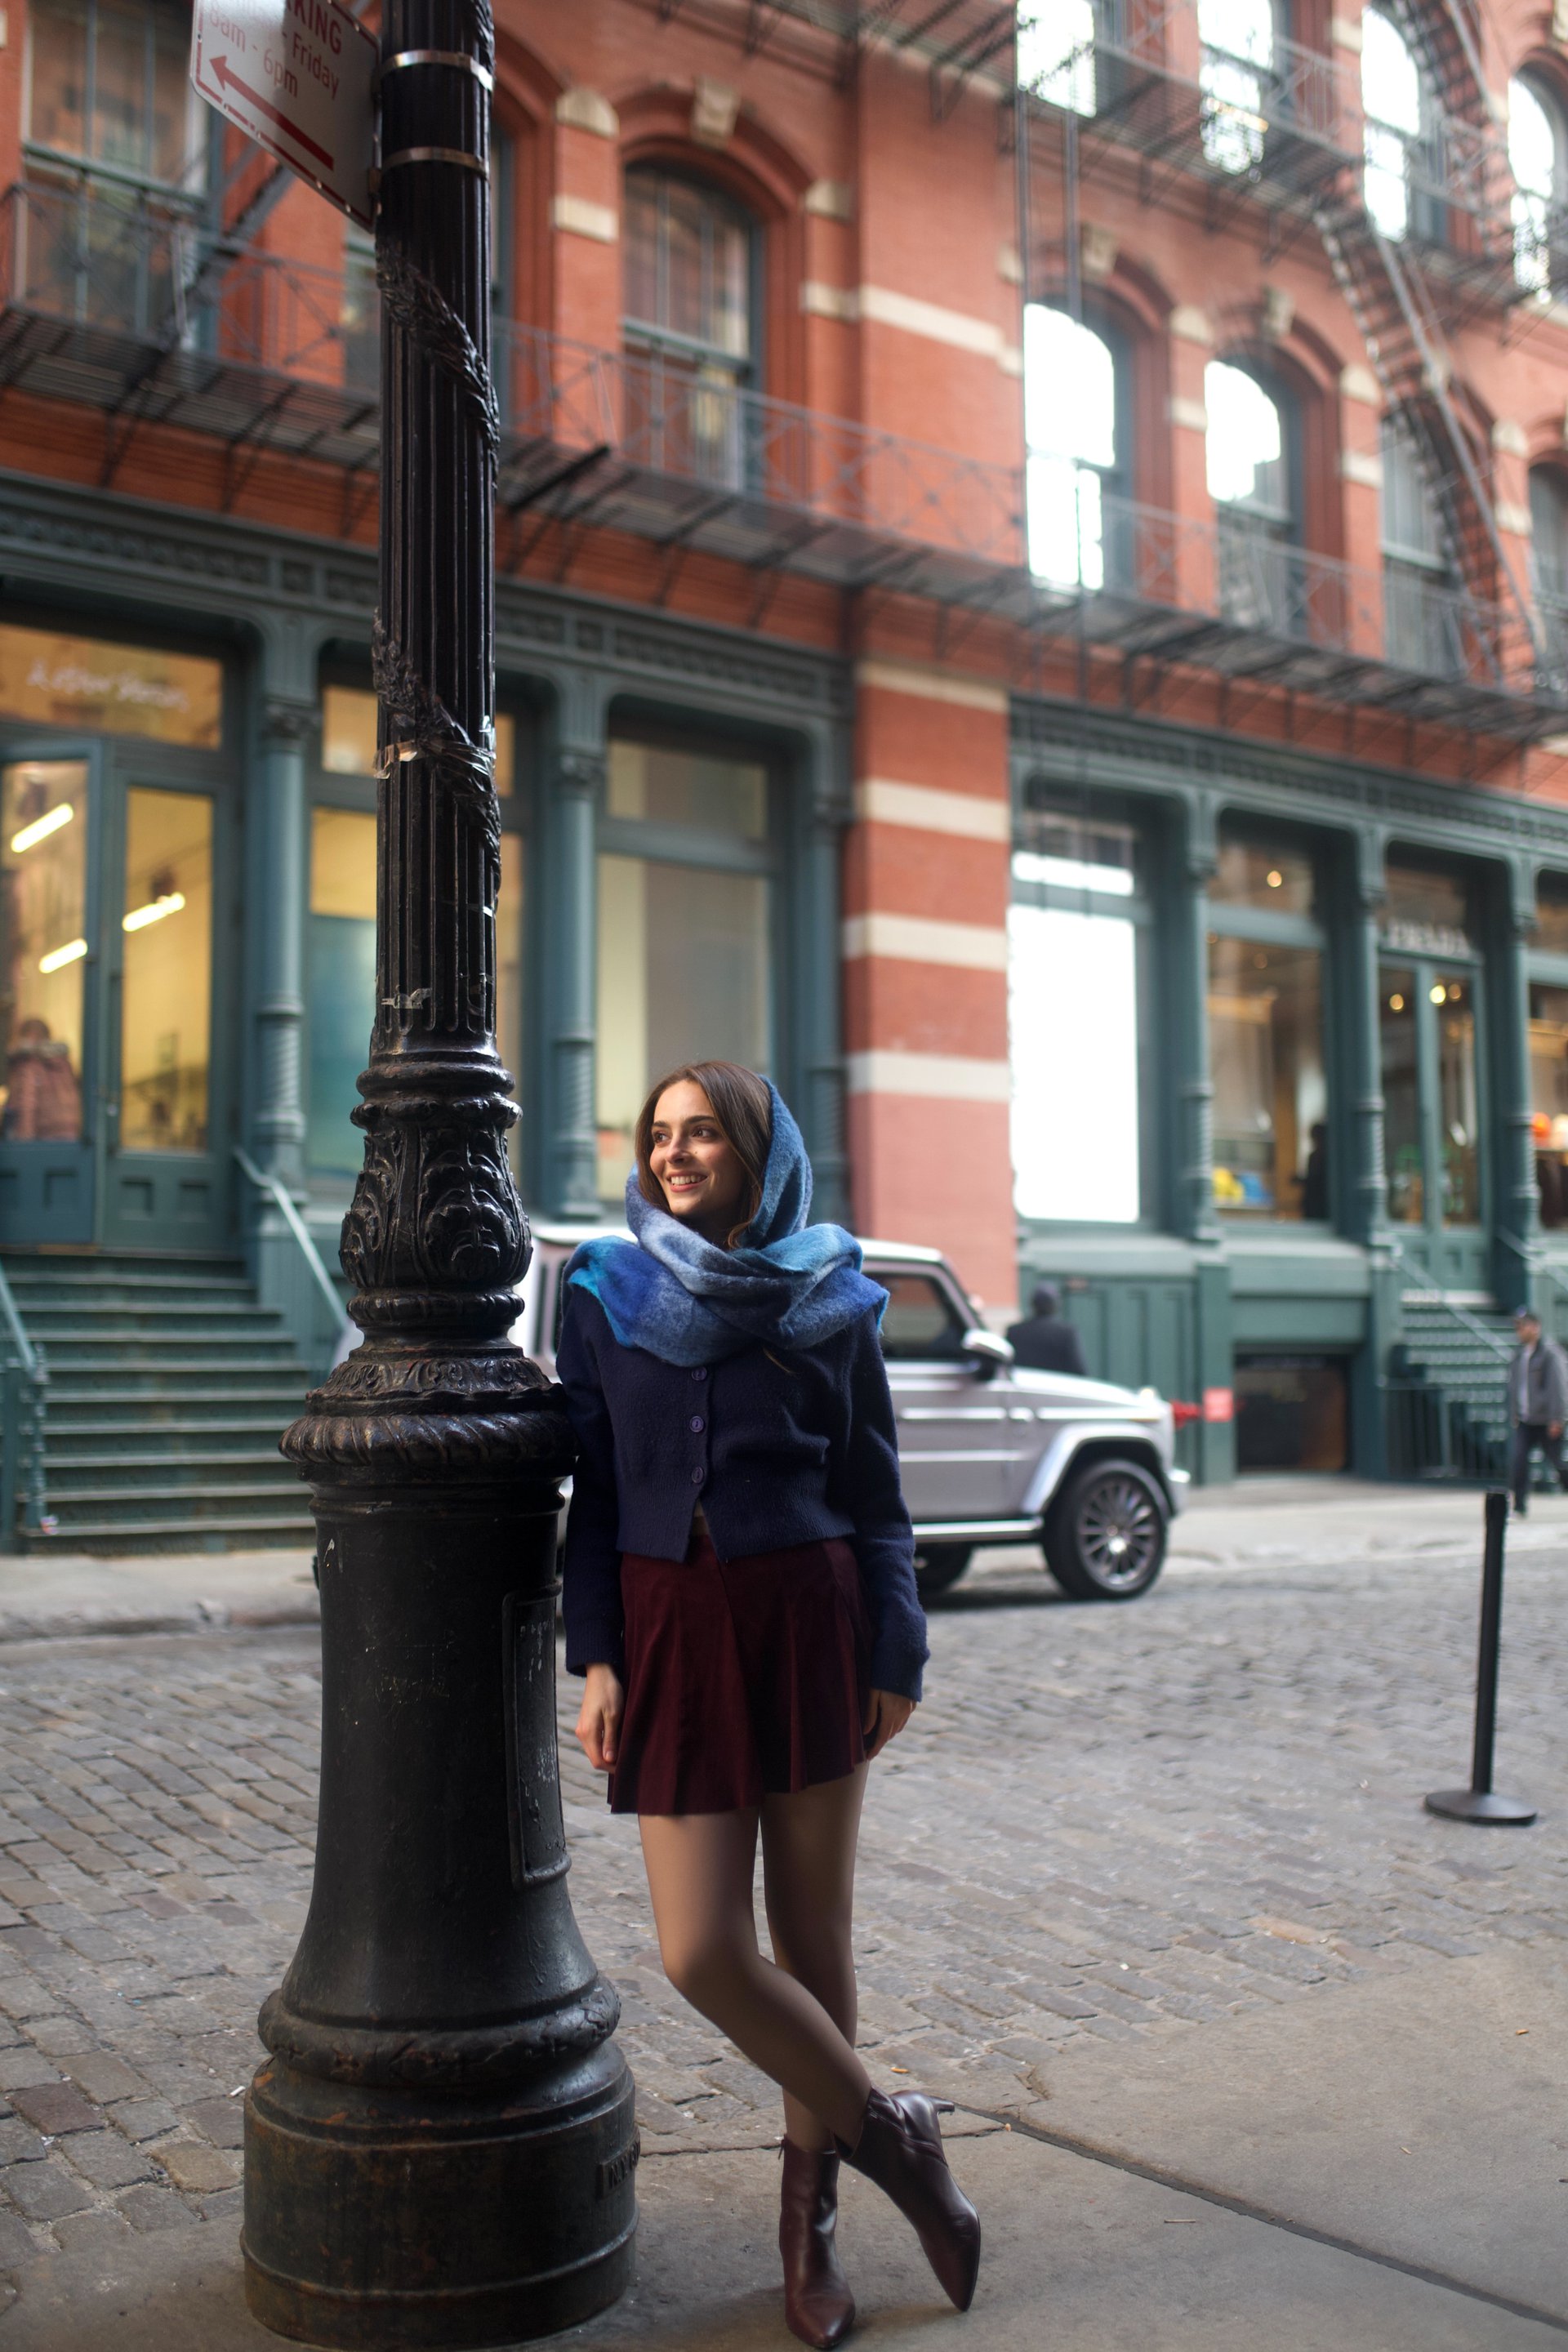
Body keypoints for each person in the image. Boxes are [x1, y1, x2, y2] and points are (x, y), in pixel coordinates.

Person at [558, 1061, 981, 2349]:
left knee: (813, 1937)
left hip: (812, 1625)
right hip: (671, 1631)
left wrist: (896, 1653)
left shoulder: (830, 1294)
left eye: (702, 1133)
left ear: (756, 1150)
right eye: (659, 1134)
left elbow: (877, 1495)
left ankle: (812, 2226)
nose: (674, 1153)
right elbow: (591, 1493)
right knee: (699, 1950)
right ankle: (897, 2140)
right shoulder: (604, 1289)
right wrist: (598, 1656)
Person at [1506, 1307, 1568, 1515]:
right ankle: (1519, 1505)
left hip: (1546, 1420)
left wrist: (1557, 1418)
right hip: (1526, 1420)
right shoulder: (1518, 1355)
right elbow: (1515, 1387)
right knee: (1519, 1461)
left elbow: (1558, 1388)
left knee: (1558, 1462)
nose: (1519, 1331)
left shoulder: (1550, 1353)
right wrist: (1515, 1412)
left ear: (1535, 1327)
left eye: (1522, 1326)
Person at [1005, 1281, 1088, 1376]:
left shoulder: (1014, 1332)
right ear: (1055, 1305)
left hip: (1023, 1384)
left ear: (1033, 1304)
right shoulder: (1067, 1334)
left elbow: (1005, 1367)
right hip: (1056, 1384)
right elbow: (1078, 1370)